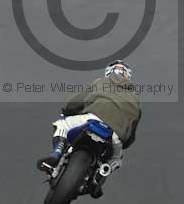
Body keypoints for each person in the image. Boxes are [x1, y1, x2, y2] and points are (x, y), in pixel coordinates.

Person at [37, 60, 142, 190]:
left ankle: (55, 154)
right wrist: (122, 141)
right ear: (128, 76)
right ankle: (100, 175)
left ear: (109, 72)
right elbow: (130, 135)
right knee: (117, 159)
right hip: (115, 135)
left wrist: (68, 110)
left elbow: (74, 101)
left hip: (92, 119)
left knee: (62, 125)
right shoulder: (135, 97)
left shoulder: (100, 82)